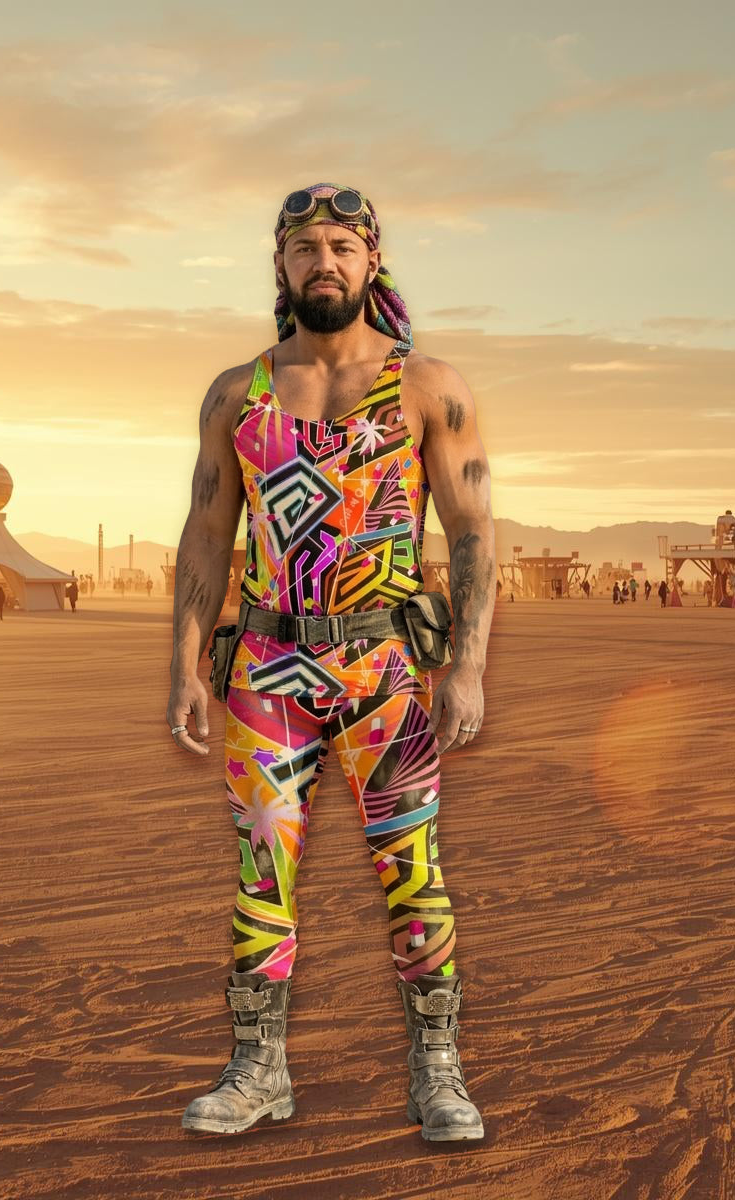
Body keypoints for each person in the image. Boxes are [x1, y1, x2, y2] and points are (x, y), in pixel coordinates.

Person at [167, 183, 495, 1142]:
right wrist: (187, 666)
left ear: (371, 261)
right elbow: (204, 535)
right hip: (266, 669)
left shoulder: (430, 388)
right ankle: (257, 1069)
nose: (323, 261)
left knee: (413, 870)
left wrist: (466, 667)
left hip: (384, 668)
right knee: (259, 872)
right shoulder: (240, 393)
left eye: (342, 245)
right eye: (304, 246)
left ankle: (440, 1073)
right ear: (280, 266)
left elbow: (474, 534)